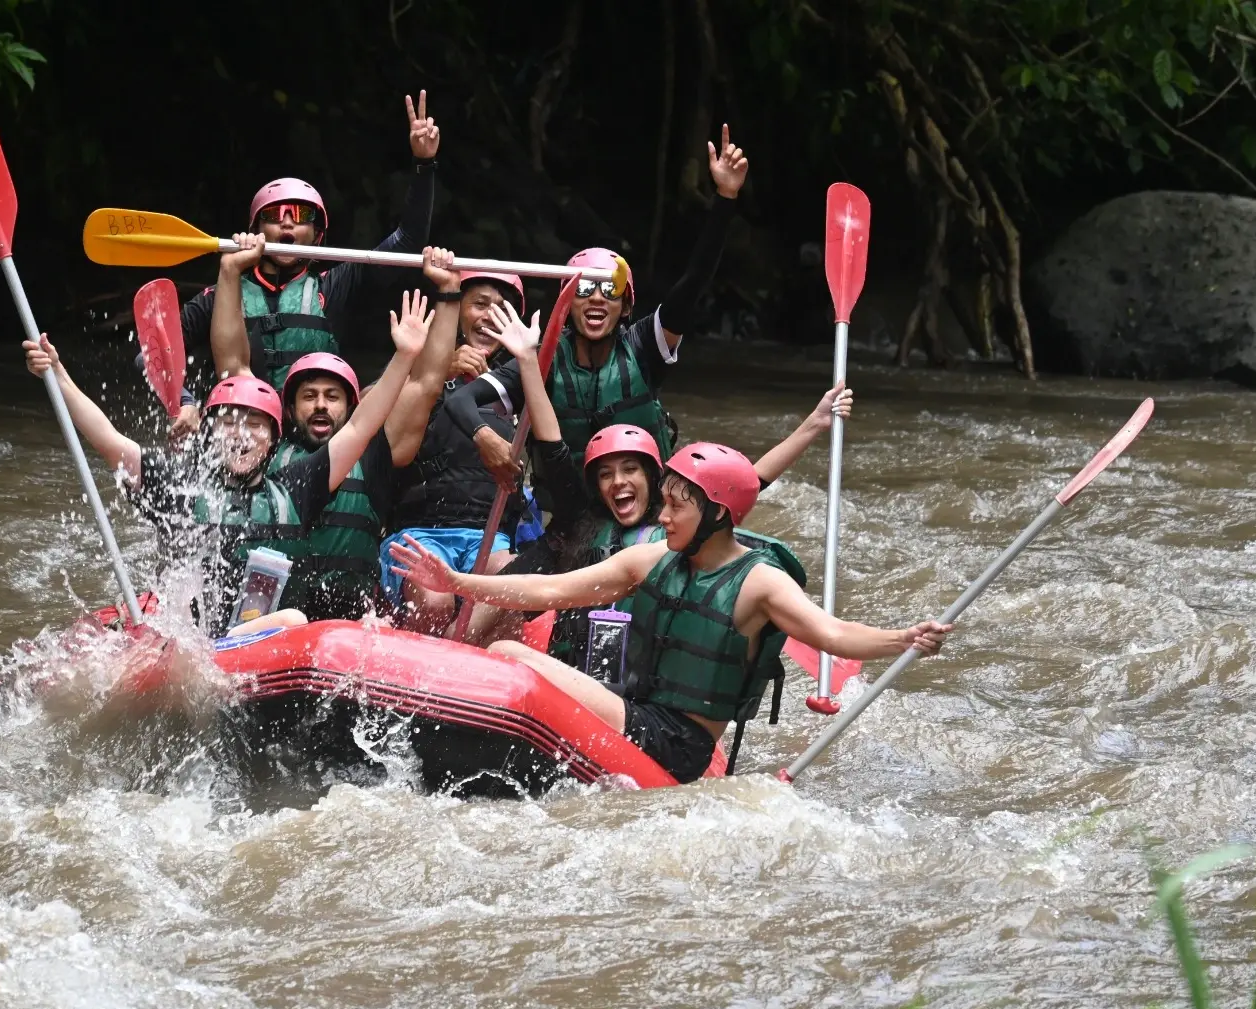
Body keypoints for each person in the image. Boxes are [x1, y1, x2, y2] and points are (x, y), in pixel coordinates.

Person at [389, 442, 951, 783]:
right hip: (636, 711)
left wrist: (904, 638)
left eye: (676, 507)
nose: (663, 516)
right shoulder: (653, 559)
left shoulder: (760, 583)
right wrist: (459, 582)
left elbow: (832, 633)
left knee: (509, 654)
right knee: (508, 648)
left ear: (716, 514)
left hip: (677, 744)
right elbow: (552, 590)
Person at [20, 288, 434, 638]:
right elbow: (111, 441)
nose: (242, 435)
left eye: (256, 426)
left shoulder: (295, 487)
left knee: (293, 619)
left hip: (267, 639)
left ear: (274, 440)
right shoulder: (182, 485)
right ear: (209, 435)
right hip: (199, 646)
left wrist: (404, 356)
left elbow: (360, 426)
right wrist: (59, 375)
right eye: (230, 425)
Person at [460, 301, 853, 660]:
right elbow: (553, 444)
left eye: (630, 470)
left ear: (653, 475)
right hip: (577, 660)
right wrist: (529, 362)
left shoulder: (677, 523)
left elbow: (752, 479)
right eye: (606, 474)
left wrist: (814, 423)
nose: (618, 483)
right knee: (489, 605)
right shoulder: (582, 515)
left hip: (638, 674)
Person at [443, 124, 749, 478]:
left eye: (609, 291)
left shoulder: (646, 346)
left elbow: (693, 283)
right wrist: (485, 438)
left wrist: (726, 199)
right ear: (566, 306)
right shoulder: (538, 361)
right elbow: (460, 400)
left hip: (641, 512)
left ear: (626, 306)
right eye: (584, 290)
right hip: (571, 517)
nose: (597, 299)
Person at [146, 90, 441, 439]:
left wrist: (423, 166)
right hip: (243, 434)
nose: (287, 224)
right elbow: (150, 353)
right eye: (275, 216)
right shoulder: (221, 295)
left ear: (316, 236)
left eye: (300, 217)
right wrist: (185, 401)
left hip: (311, 435)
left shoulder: (334, 285)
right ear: (257, 230)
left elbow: (407, 241)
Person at [239, 248, 464, 622]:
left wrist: (450, 293)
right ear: (291, 410)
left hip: (351, 625)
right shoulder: (264, 450)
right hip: (275, 620)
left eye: (333, 397)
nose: (321, 406)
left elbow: (426, 382)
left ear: (351, 407)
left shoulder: (375, 452)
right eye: (309, 397)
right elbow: (234, 366)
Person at [378, 270, 533, 634]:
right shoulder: (419, 375)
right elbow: (370, 415)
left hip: (487, 535)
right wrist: (436, 371)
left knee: (511, 585)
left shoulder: (521, 384)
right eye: (479, 304)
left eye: (501, 308)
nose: (489, 316)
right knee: (435, 602)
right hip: (419, 531)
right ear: (458, 310)